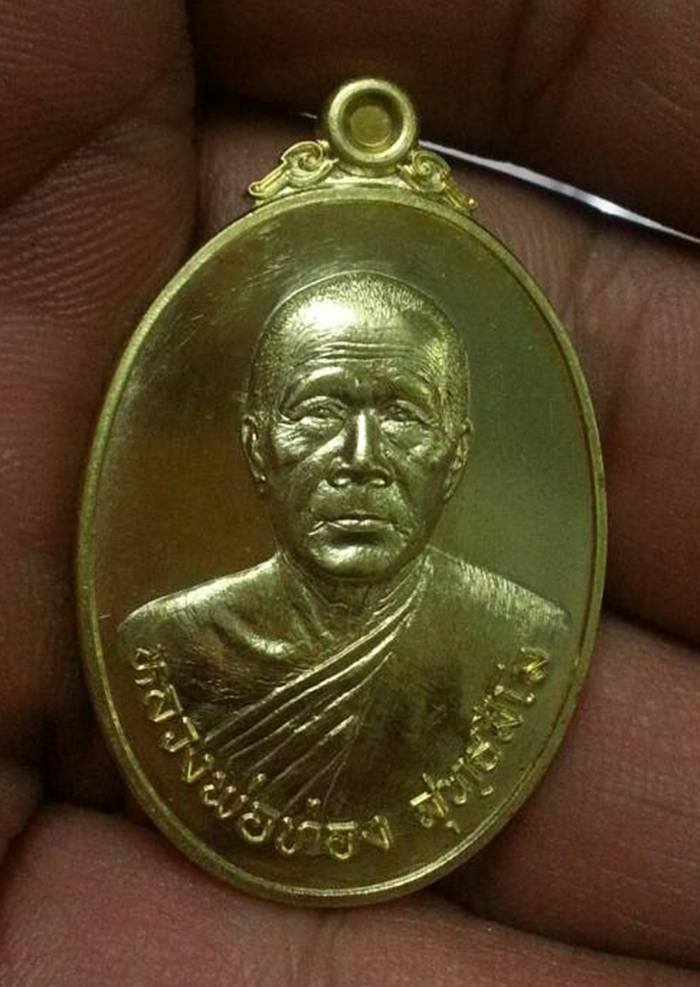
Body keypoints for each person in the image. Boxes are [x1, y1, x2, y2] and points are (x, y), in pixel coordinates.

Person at [119, 271, 568, 818]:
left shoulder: (520, 638)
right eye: (320, 411)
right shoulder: (170, 645)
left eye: (402, 415)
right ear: (257, 447)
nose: (362, 458)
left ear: (455, 457)